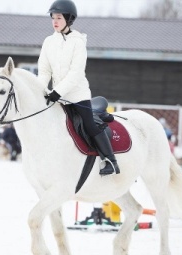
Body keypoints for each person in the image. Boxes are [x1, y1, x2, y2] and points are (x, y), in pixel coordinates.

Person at [37, 0, 119, 175]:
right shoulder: (48, 42)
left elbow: (75, 74)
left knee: (89, 125)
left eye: (59, 17)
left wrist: (57, 92)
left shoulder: (78, 42)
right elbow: (44, 71)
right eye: (53, 18)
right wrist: (41, 90)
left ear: (69, 19)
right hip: (57, 96)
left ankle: (111, 161)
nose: (55, 21)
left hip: (77, 96)